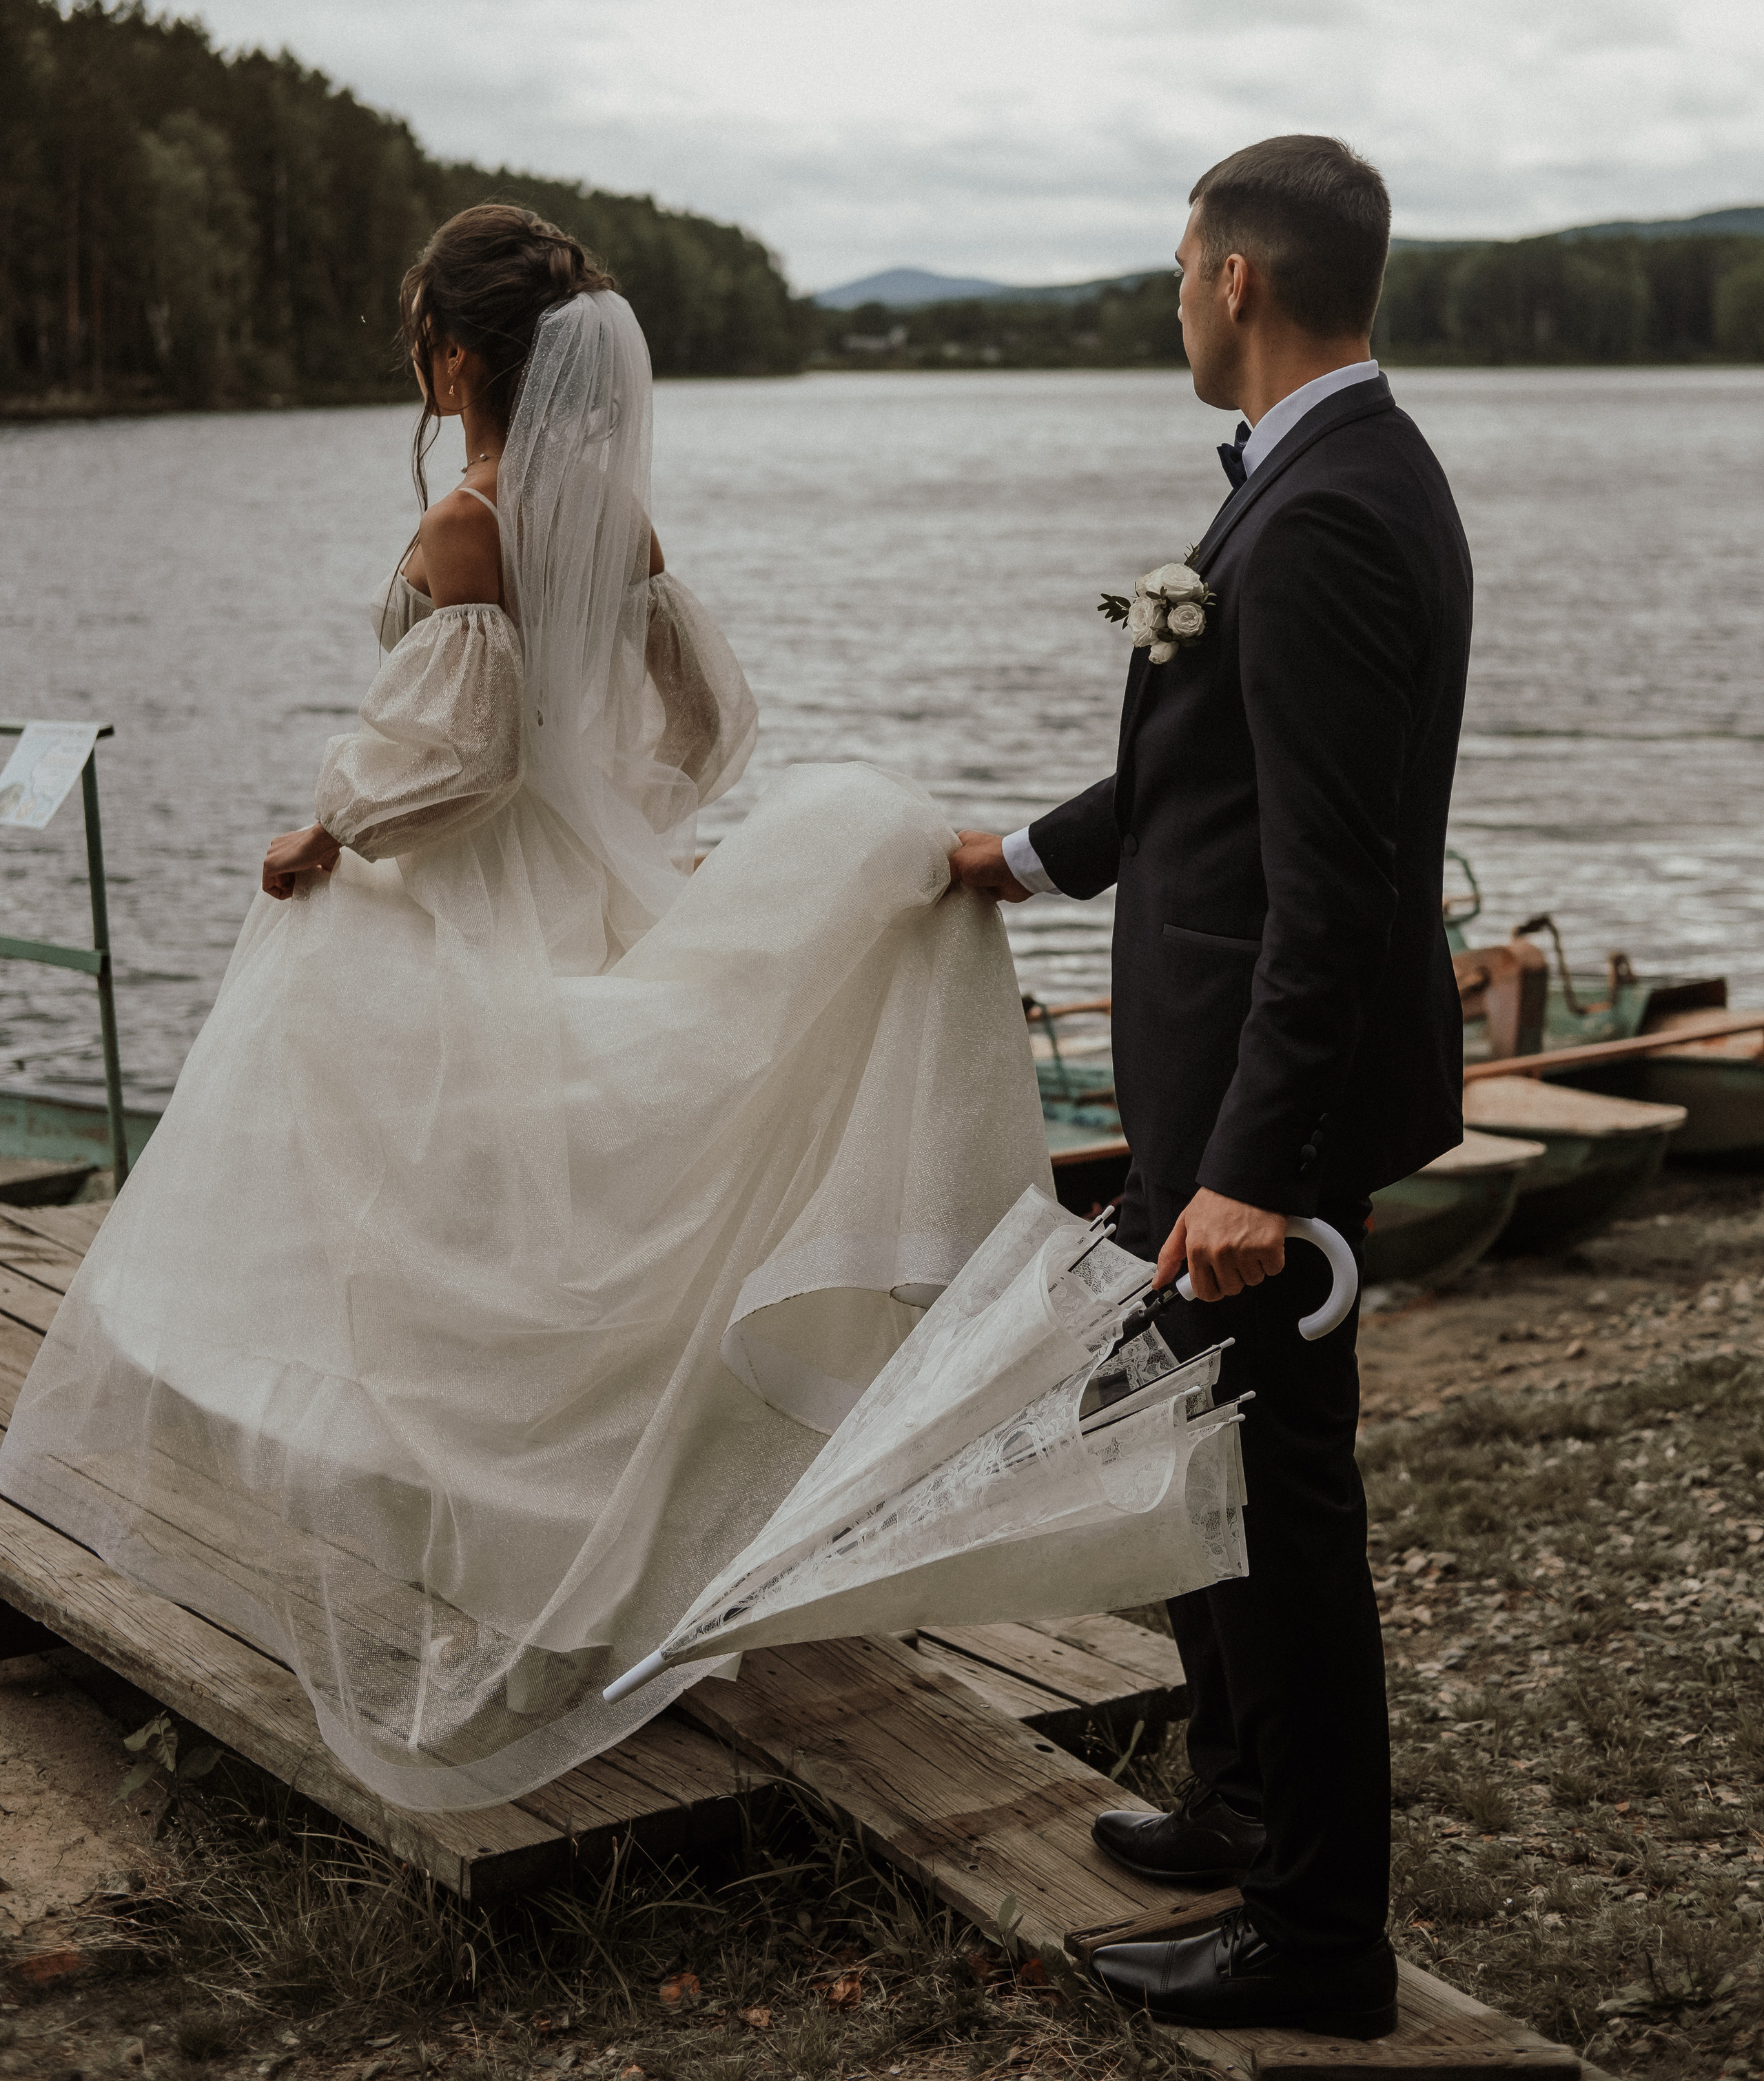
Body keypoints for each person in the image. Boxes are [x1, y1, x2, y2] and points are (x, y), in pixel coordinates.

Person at [0, 203, 1050, 1814]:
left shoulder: (463, 530)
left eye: (420, 332)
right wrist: (618, 811)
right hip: (589, 887)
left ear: (456, 360)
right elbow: (704, 723)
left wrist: (328, 831)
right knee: (559, 1222)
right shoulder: (616, 528)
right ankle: (568, 1509)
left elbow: (457, 765)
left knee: (429, 1222)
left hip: (458, 902)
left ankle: (470, 1522)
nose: (412, 356)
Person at [950, 135, 1472, 2038]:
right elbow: (1217, 781)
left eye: (1183, 268)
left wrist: (1255, 1168)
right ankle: (1249, 1809)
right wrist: (1013, 853)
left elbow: (1330, 883)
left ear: (1236, 282)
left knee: (1273, 1507)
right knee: (1206, 1479)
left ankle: (1318, 1942)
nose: (1177, 296)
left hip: (1276, 1111)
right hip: (1232, 1077)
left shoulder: (1327, 511)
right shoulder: (1329, 477)